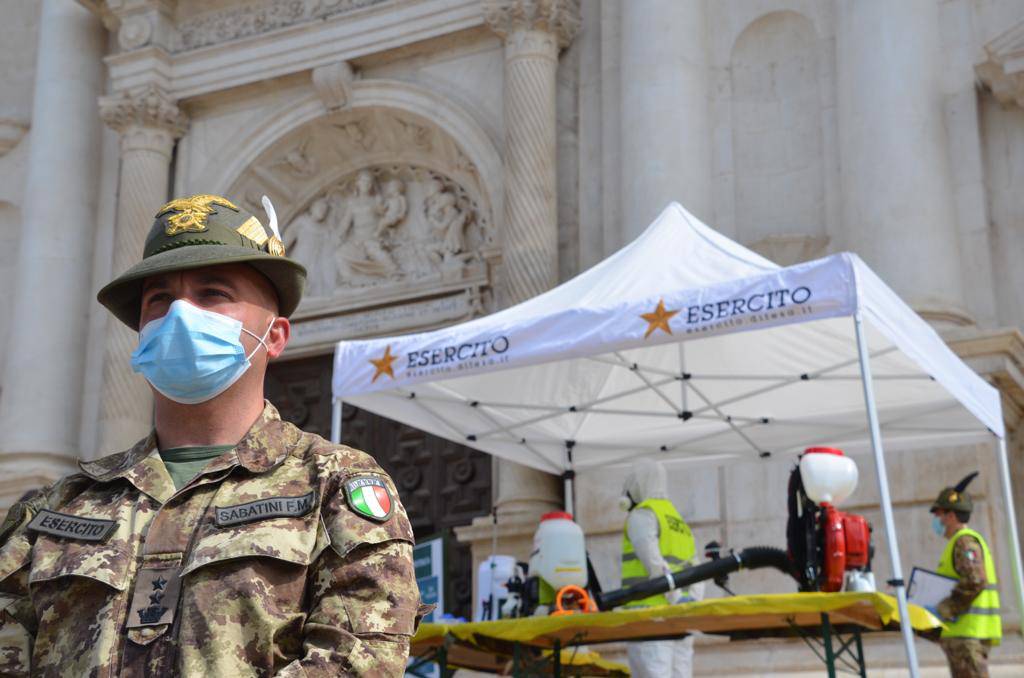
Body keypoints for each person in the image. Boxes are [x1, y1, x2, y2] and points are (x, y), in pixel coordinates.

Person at [0, 193, 425, 676]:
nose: (180, 312)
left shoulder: (332, 487)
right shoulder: (56, 509)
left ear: (277, 336)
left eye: (212, 294)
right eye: (159, 299)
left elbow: (356, 660)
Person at [619, 458, 700, 678]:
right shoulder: (677, 520)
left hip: (649, 618)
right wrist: (688, 606)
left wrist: (673, 600)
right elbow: (697, 570)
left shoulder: (642, 515)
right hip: (681, 618)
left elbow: (654, 565)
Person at [929, 471, 1001, 678]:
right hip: (963, 637)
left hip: (968, 636)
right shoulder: (958, 542)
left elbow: (974, 580)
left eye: (938, 514)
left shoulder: (964, 542)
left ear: (951, 516)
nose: (936, 520)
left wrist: (945, 608)